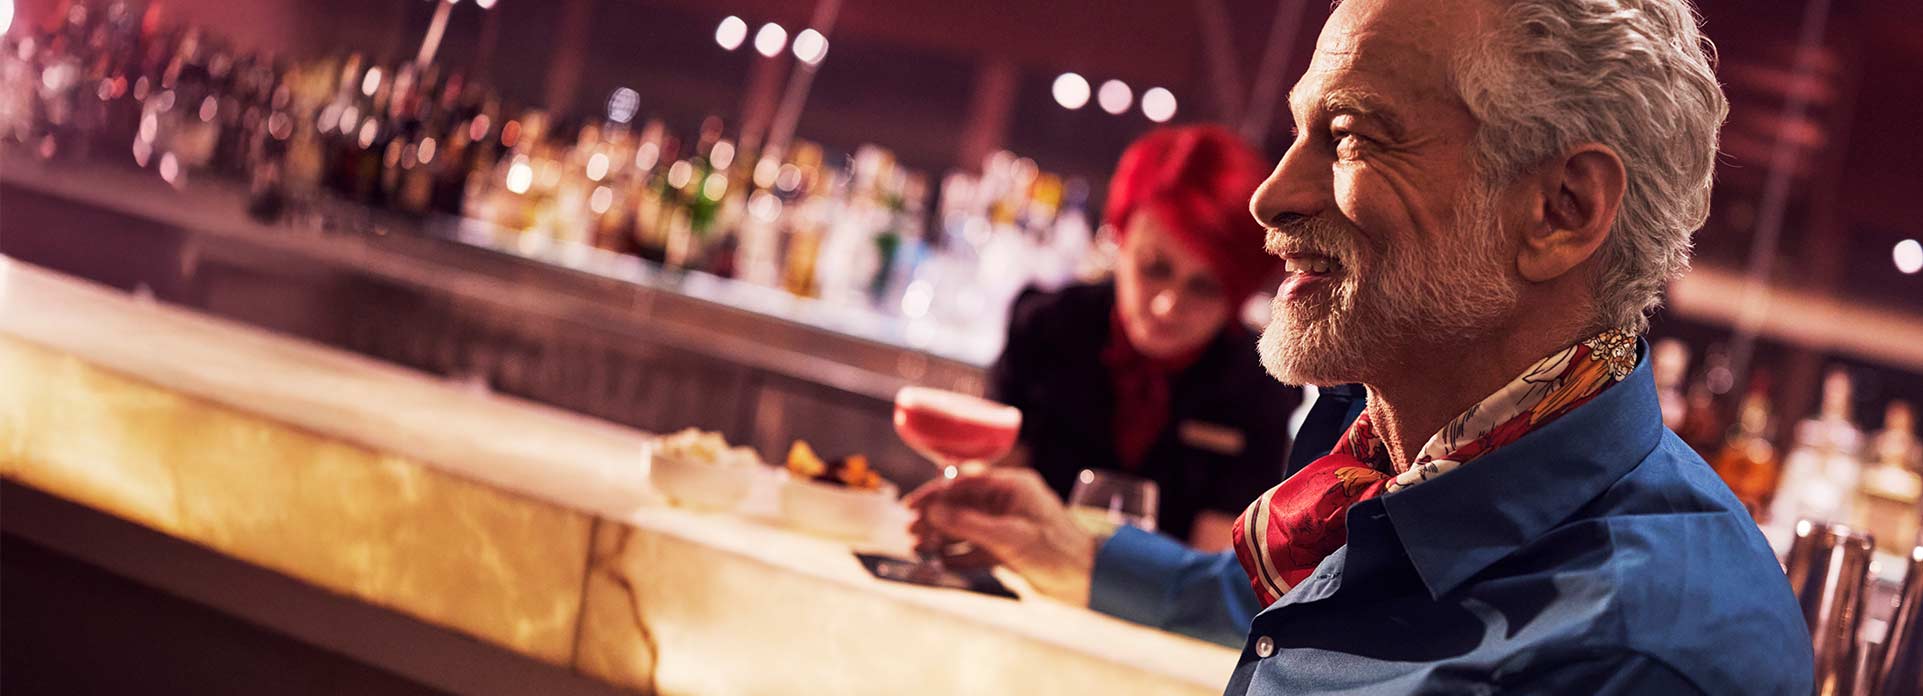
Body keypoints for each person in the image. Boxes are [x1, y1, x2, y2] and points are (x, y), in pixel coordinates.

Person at [908, 0, 1814, 692]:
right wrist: (1074, 549)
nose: (1269, 197)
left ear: (1559, 210)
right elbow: (1309, 612)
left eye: (1347, 136)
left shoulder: (1642, 654)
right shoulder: (1397, 453)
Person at [988, 125, 1298, 549]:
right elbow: (990, 504)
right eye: (1154, 267)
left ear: (1240, 293)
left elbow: (1211, 569)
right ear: (1119, 235)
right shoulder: (1048, 325)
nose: (1167, 305)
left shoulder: (1259, 382)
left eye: (1204, 287)